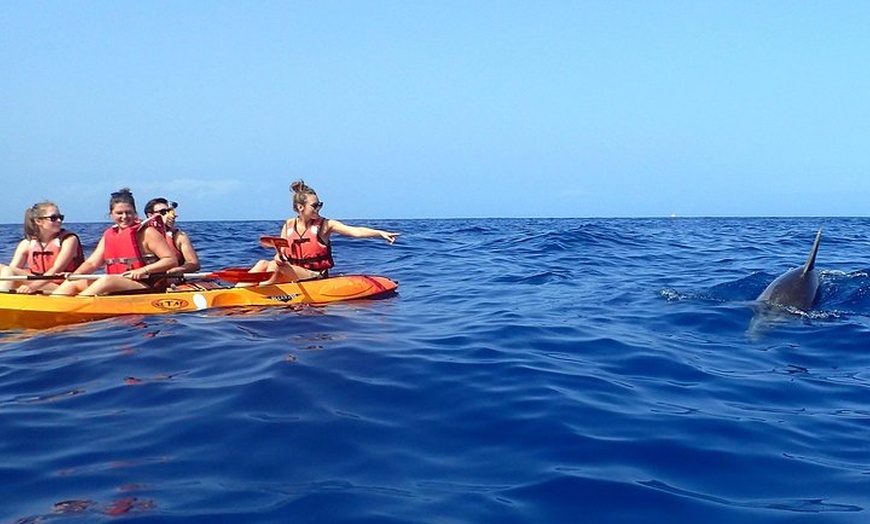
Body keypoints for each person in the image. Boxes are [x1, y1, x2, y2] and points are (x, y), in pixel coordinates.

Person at [247, 180, 400, 284]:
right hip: (294, 271)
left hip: (315, 276)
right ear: (301, 208)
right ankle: (237, 290)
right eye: (314, 205)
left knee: (275, 266)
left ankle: (260, 294)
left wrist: (379, 233)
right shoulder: (288, 225)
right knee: (264, 263)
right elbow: (281, 253)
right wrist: (279, 256)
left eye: (319, 204)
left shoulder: (326, 225)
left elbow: (355, 231)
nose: (318, 208)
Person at [52, 188, 178, 296]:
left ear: (135, 213)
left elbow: (170, 260)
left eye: (128, 213)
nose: (124, 217)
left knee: (107, 281)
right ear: (111, 214)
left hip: (146, 284)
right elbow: (92, 263)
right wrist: (75, 275)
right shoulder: (109, 235)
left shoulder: (148, 233)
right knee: (73, 282)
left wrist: (143, 270)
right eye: (119, 213)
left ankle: (75, 307)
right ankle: (52, 305)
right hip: (119, 282)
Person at [0, 201, 85, 294]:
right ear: (38, 221)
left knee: (9, 271)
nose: (59, 221)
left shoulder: (69, 240)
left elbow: (57, 269)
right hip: (40, 284)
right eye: (53, 218)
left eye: (60, 217)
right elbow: (13, 268)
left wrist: (32, 287)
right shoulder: (27, 244)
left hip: (62, 286)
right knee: (3, 269)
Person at [143, 197, 201, 274]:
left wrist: (178, 269)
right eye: (163, 212)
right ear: (150, 215)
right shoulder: (142, 235)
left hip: (173, 279)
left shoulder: (179, 236)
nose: (170, 215)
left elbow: (194, 263)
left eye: (170, 211)